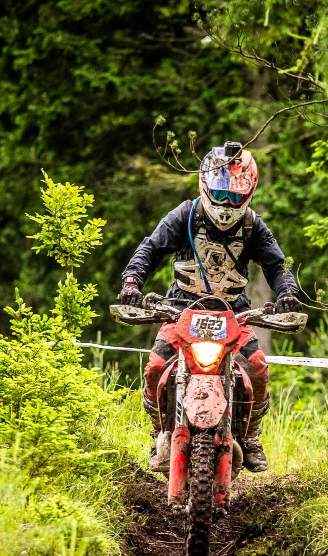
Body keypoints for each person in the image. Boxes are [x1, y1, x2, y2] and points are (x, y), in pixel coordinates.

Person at [117, 141, 303, 472]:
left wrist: (288, 293)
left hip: (233, 312)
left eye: (235, 197)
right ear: (204, 185)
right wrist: (132, 282)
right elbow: (151, 248)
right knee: (155, 367)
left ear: (249, 193)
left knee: (258, 368)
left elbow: (277, 266)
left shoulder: (252, 225)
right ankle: (159, 431)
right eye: (220, 194)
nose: (227, 203)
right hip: (180, 308)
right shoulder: (186, 214)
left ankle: (250, 436)